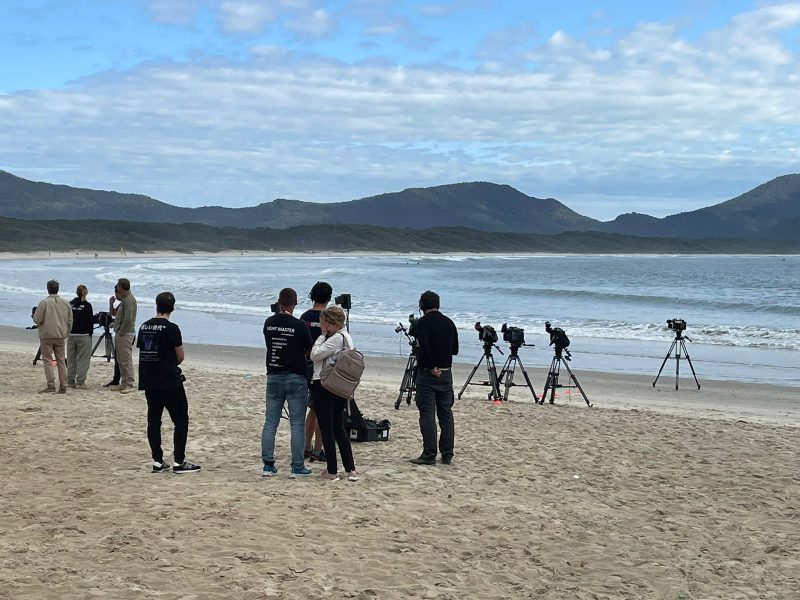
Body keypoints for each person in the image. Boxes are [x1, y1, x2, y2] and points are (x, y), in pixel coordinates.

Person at [137, 292, 200, 474]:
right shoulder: (171, 328)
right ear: (172, 307)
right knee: (180, 420)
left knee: (154, 420)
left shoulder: (144, 326)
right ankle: (179, 461)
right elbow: (180, 356)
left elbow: (144, 350)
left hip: (149, 379)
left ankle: (157, 460)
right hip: (169, 380)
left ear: (156, 305)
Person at [261, 287, 314, 478]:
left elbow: (269, 343)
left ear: (278, 302)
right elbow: (309, 348)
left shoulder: (269, 323)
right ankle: (297, 466)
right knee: (297, 423)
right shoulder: (299, 325)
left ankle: (268, 464)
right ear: (295, 303)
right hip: (295, 376)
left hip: (274, 374)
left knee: (270, 422)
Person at [309, 305, 358, 481]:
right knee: (338, 427)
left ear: (331, 322)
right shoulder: (347, 337)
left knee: (327, 428)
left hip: (325, 386)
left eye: (324, 322)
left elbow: (315, 355)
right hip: (340, 387)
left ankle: (332, 470)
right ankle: (350, 469)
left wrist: (322, 335)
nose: (323, 325)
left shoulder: (335, 338)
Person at [411, 290, 459, 465]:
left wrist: (431, 367)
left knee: (427, 414)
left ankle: (429, 454)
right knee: (446, 413)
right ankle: (447, 453)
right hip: (447, 373)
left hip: (427, 374)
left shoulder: (423, 322)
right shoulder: (449, 323)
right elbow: (455, 349)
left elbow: (423, 348)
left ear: (422, 306)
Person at [300, 281, 333, 463]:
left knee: (313, 409)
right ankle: (318, 449)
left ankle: (306, 447)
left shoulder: (304, 317)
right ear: (329, 298)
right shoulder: (329, 319)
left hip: (306, 367)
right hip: (324, 369)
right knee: (322, 411)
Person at [32, 280, 73, 394]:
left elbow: (36, 319)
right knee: (61, 360)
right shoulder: (65, 303)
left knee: (47, 361)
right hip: (60, 335)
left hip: (46, 335)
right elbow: (70, 321)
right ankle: (63, 385)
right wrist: (66, 332)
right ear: (57, 289)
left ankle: (51, 385)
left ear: (48, 289)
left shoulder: (44, 303)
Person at [111, 278, 137, 393]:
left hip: (126, 334)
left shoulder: (129, 300)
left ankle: (129, 384)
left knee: (126, 359)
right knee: (120, 359)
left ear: (121, 287)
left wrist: (121, 331)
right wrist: (115, 324)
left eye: (117, 286)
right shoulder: (124, 299)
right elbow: (119, 316)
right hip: (121, 332)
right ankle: (123, 382)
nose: (116, 288)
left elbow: (128, 318)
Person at [67, 284, 94, 389]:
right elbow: (90, 321)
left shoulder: (70, 304)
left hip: (71, 334)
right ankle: (80, 381)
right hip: (84, 335)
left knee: (71, 359)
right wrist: (90, 334)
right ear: (86, 292)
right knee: (83, 359)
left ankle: (70, 380)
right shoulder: (87, 305)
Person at [103, 285, 122, 388]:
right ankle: (116, 379)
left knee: (122, 359)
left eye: (116, 293)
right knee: (117, 358)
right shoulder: (122, 304)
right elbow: (114, 313)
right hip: (119, 333)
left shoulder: (127, 303)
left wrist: (114, 324)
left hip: (124, 333)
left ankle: (123, 381)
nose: (115, 295)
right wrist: (111, 304)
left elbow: (127, 319)